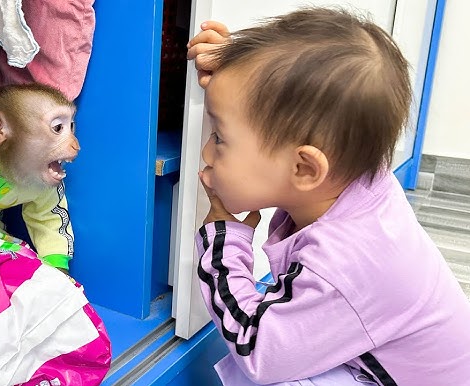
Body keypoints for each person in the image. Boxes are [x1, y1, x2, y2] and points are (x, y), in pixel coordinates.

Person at [187, 7, 470, 386]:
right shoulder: (357, 174)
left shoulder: (342, 265)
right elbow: (302, 107)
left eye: (219, 138)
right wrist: (236, 74)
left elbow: (256, 348)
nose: (206, 153)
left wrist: (221, 243)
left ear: (304, 168)